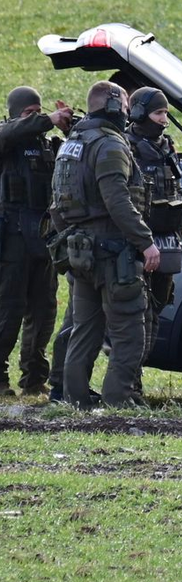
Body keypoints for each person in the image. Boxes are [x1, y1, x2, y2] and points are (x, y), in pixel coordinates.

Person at [51, 81, 160, 407]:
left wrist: (72, 238)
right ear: (113, 107)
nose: (128, 114)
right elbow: (117, 199)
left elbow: (57, 202)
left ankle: (76, 402)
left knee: (84, 331)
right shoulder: (110, 145)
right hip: (112, 251)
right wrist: (145, 242)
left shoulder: (73, 142)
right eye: (126, 107)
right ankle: (117, 403)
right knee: (130, 333)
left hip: (80, 251)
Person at [0, 86, 74, 397]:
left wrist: (70, 130)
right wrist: (46, 119)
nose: (37, 118)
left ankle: (33, 378)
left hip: (43, 236)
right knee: (8, 310)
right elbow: (9, 132)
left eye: (39, 111)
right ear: (15, 114)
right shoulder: (7, 140)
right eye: (29, 113)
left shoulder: (49, 147)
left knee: (43, 312)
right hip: (12, 237)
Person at [125, 88, 182, 370]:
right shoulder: (126, 147)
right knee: (134, 317)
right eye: (158, 113)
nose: (164, 119)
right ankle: (128, 382)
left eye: (165, 113)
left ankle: (135, 378)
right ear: (139, 113)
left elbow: (179, 190)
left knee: (156, 311)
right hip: (138, 244)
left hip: (167, 243)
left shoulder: (168, 146)